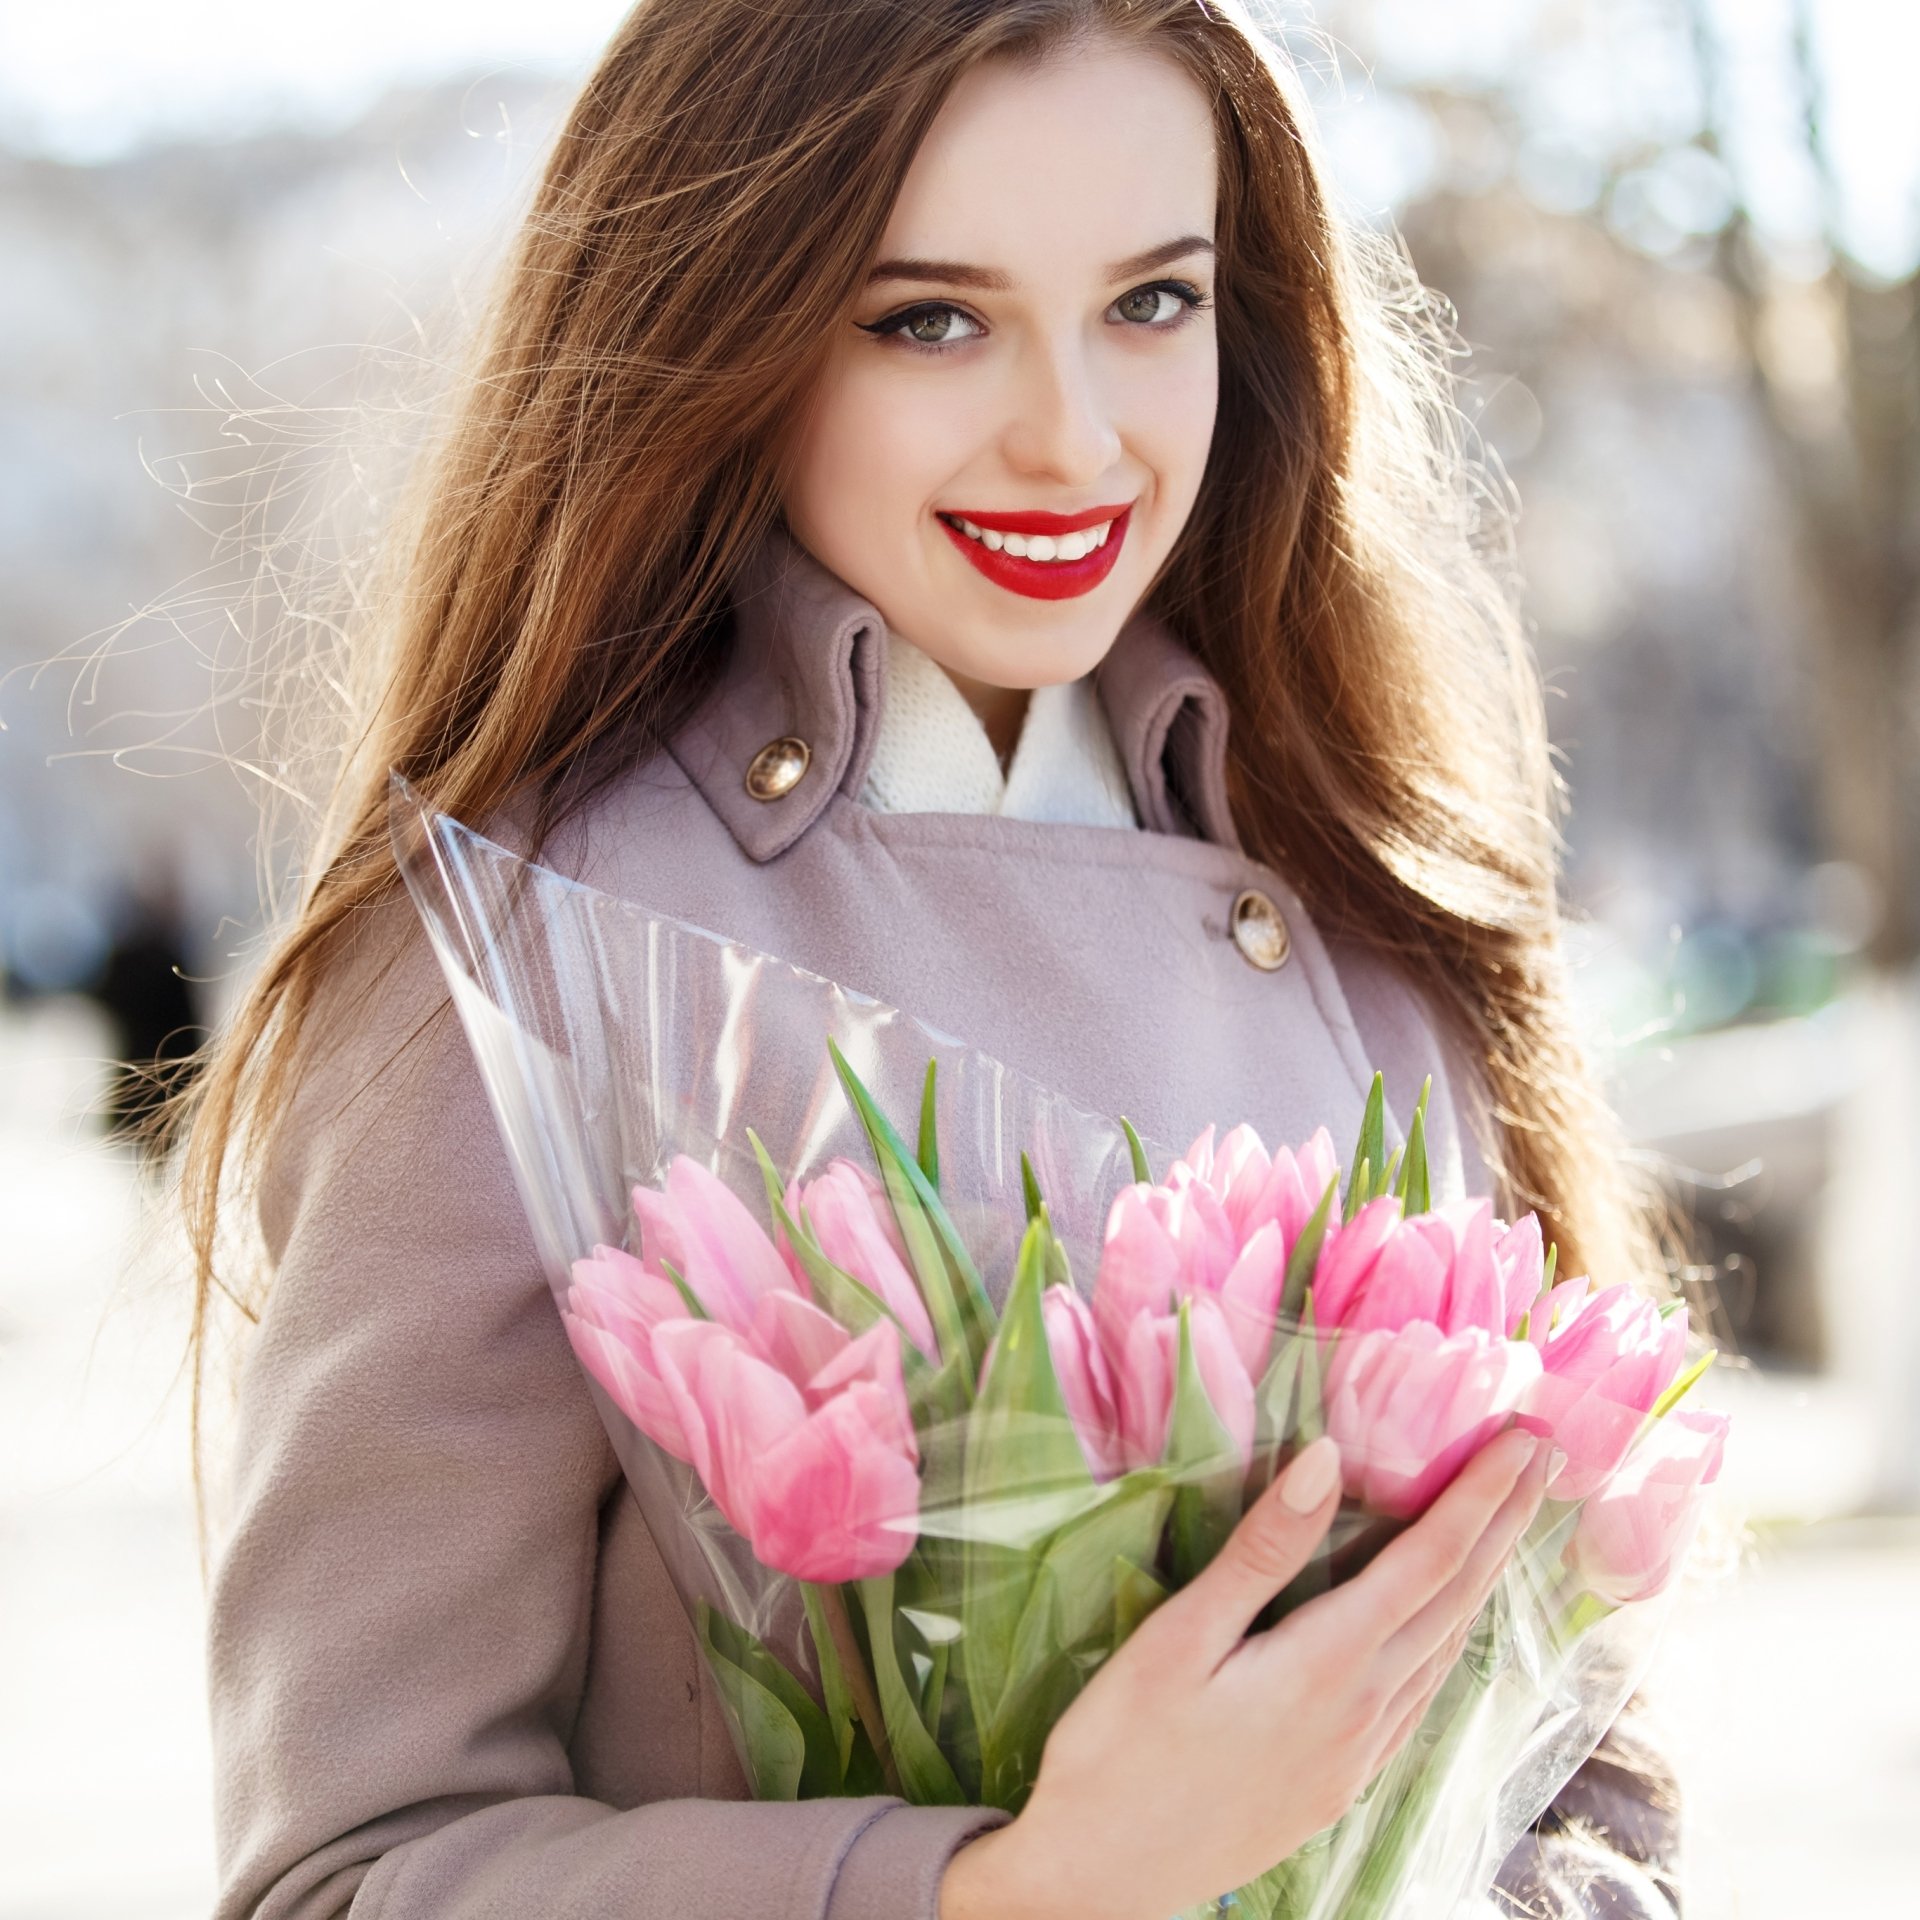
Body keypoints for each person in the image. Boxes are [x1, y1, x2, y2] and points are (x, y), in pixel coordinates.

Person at [178, 3, 1683, 1916]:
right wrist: (1003, 1893)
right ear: (734, 327)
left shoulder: (1375, 899)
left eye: (1153, 302)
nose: (1073, 435)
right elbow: (347, 1875)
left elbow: (1584, 1762)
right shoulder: (518, 957)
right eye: (930, 319)